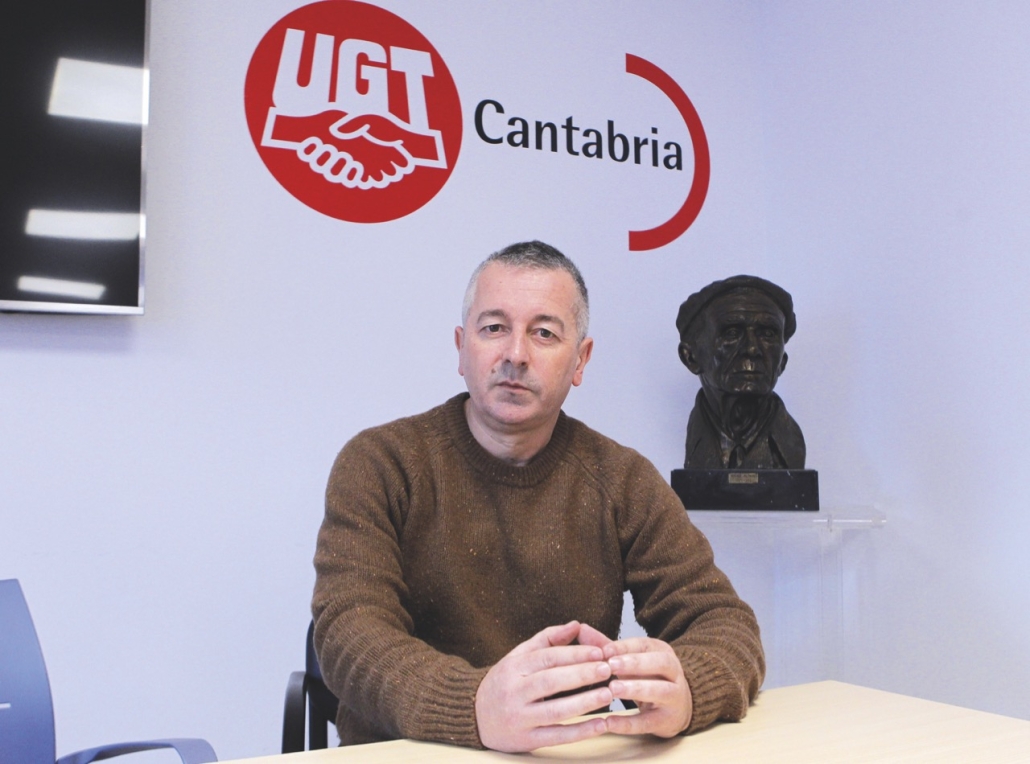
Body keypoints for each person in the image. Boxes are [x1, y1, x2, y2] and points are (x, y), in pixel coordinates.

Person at [312, 241, 765, 753]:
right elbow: (349, 633)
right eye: (493, 328)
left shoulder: (622, 480)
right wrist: (476, 706)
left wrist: (689, 690)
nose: (515, 354)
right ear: (462, 349)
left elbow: (724, 622)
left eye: (544, 333)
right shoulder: (380, 463)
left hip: (569, 753)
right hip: (406, 750)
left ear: (580, 359)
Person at [676, 275, 806, 470]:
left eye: (767, 334)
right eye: (732, 333)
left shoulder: (791, 444)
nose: (752, 349)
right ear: (691, 358)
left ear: (782, 362)